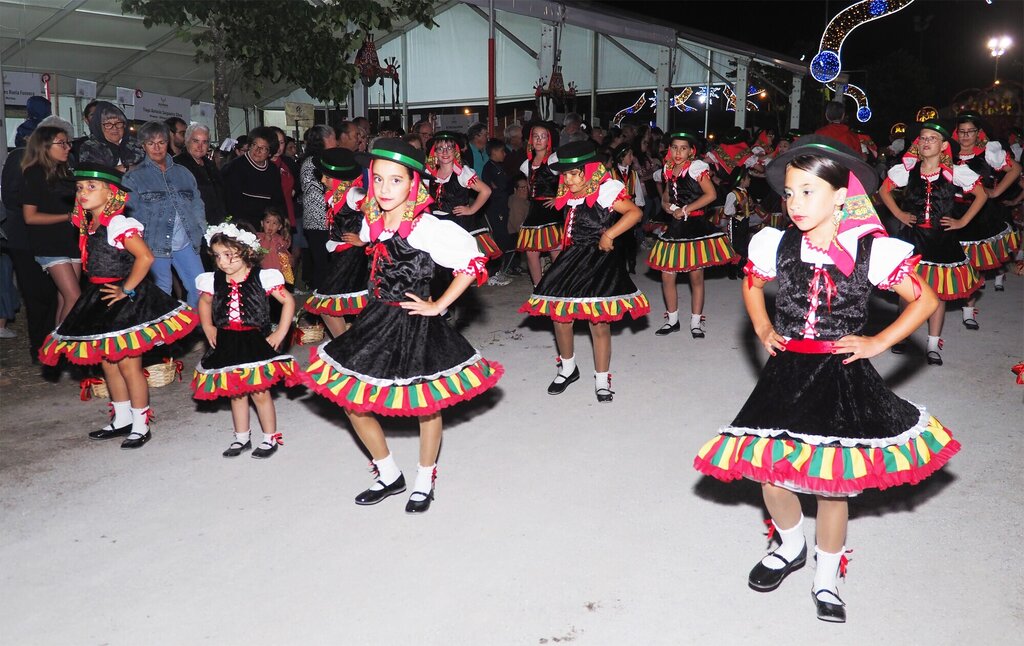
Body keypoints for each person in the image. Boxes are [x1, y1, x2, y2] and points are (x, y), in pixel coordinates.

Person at [693, 135, 960, 623]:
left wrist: (877, 343)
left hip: (839, 374)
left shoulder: (871, 251)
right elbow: (753, 283)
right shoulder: (777, 241)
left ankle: (827, 572)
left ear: (841, 195)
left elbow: (926, 300)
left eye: (808, 191)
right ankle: (790, 544)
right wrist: (762, 326)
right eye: (790, 193)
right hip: (787, 369)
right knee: (770, 469)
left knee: (832, 486)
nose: (795, 204)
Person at [300, 139, 503, 514]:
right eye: (377, 180)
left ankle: (425, 480)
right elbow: (363, 239)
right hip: (376, 318)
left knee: (426, 404)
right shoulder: (373, 218)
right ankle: (388, 472)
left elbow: (471, 264)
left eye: (395, 181)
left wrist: (439, 304)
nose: (384, 189)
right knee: (353, 400)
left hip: (414, 322)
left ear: (413, 183)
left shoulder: (427, 226)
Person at [38, 163, 199, 448]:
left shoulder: (119, 223)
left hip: (123, 299)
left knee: (128, 365)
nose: (83, 193)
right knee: (108, 364)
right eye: (79, 188)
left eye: (91, 187)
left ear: (111, 193)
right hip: (100, 296)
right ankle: (121, 418)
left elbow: (146, 258)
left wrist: (127, 289)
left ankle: (140, 423)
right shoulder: (91, 223)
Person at [519, 140, 648, 402]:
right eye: (564, 174)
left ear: (589, 170)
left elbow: (634, 213)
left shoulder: (607, 189)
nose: (567, 180)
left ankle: (602, 380)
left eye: (572, 174)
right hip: (572, 256)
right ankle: (568, 368)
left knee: (598, 322)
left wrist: (610, 234)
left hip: (599, 259)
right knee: (560, 315)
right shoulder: (571, 190)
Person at [878, 121, 984, 365]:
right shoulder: (908, 170)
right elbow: (884, 191)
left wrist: (962, 222)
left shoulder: (955, 172)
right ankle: (901, 335)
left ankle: (933, 344)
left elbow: (980, 195)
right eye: (923, 138)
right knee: (907, 293)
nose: (926, 142)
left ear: (944, 145)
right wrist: (900, 214)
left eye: (932, 138)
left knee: (937, 295)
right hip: (913, 240)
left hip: (942, 241)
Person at [192, 222, 298, 458]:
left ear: (246, 252)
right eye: (218, 256)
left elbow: (288, 301)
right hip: (226, 341)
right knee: (236, 392)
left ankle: (270, 438)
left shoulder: (263, 277)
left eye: (229, 255)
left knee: (259, 392)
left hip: (253, 342)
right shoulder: (214, 280)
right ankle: (241, 437)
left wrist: (281, 332)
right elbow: (205, 302)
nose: (223, 262)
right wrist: (208, 325)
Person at [648, 131, 738, 338]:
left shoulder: (697, 168)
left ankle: (696, 322)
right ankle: (672, 320)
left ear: (691, 151)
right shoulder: (668, 169)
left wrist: (686, 209)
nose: (678, 152)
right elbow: (665, 196)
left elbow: (711, 195)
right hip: (676, 226)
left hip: (696, 227)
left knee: (695, 277)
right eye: (674, 147)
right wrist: (667, 206)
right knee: (667, 275)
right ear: (669, 149)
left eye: (683, 148)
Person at [123, 121, 207, 308]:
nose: (157, 148)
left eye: (161, 142)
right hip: (154, 243)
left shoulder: (184, 173)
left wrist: (202, 230)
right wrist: (137, 245)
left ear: (168, 142)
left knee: (201, 288)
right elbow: (129, 213)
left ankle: (194, 331)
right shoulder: (133, 177)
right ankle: (163, 336)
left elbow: (196, 202)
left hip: (186, 240)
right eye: (151, 143)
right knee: (162, 290)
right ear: (143, 145)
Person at [951, 111, 1022, 324]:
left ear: (978, 133)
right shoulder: (947, 152)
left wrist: (997, 191)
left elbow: (1015, 169)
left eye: (969, 132)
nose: (965, 136)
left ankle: (968, 309)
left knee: (972, 262)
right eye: (961, 131)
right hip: (950, 211)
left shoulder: (988, 152)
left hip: (978, 214)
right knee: (951, 260)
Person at [302, 148, 368, 338]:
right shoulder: (336, 195)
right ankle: (348, 343)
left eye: (327, 177)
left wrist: (363, 239)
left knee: (327, 301)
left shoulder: (353, 193)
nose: (322, 180)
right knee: (339, 303)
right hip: (342, 253)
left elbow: (375, 213)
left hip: (352, 255)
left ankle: (345, 344)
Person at [21, 126, 81, 324]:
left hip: (70, 240)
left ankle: (58, 350)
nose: (67, 148)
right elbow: (30, 217)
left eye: (68, 143)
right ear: (45, 146)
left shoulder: (65, 172)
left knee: (65, 297)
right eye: (61, 143)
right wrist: (68, 216)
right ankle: (59, 349)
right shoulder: (34, 174)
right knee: (74, 296)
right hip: (49, 242)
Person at [425, 131, 499, 262]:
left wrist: (471, 210)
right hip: (436, 224)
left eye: (449, 148)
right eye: (440, 148)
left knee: (458, 262)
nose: (445, 152)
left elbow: (486, 191)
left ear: (456, 151)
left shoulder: (462, 173)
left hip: (458, 224)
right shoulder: (429, 173)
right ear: (434, 152)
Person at [516, 122, 563, 285]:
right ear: (530, 139)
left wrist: (560, 198)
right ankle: (539, 287)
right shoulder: (525, 164)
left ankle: (557, 286)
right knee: (531, 252)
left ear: (548, 140)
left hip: (551, 209)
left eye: (543, 137)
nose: (539, 139)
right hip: (535, 209)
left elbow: (568, 178)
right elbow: (530, 188)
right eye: (535, 136)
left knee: (555, 250)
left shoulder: (554, 159)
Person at [297, 124, 337, 291]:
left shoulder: (316, 160)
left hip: (322, 220)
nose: (336, 141)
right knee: (323, 265)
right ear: (325, 139)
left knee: (324, 264)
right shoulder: (315, 162)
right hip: (319, 221)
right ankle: (320, 307)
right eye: (334, 137)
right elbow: (325, 189)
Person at [222, 126, 286, 230]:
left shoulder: (273, 170)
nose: (257, 150)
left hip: (266, 227)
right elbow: (230, 203)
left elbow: (277, 201)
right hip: (241, 226)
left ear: (270, 152)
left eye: (263, 148)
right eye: (254, 145)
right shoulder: (235, 167)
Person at [174, 123, 227, 226]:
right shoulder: (177, 164)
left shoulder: (210, 164)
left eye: (205, 142)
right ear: (187, 141)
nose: (200, 146)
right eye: (196, 141)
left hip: (215, 224)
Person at [481, 138, 515, 283]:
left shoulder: (498, 167)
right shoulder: (490, 168)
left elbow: (504, 186)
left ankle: (499, 270)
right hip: (495, 208)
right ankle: (493, 274)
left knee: (504, 237)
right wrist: (503, 187)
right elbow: (497, 188)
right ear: (494, 152)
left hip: (502, 206)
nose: (504, 154)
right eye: (502, 151)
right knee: (499, 238)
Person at [608, 142, 645, 273]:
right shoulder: (611, 173)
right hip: (616, 211)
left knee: (630, 239)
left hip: (631, 210)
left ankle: (632, 262)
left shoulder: (633, 174)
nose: (632, 157)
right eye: (630, 155)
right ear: (622, 157)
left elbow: (638, 193)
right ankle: (620, 264)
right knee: (618, 239)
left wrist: (640, 209)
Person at [78, 101, 144, 171]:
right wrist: (125, 168)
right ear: (99, 127)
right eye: (108, 125)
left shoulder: (136, 144)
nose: (114, 128)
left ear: (124, 125)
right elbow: (95, 176)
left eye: (118, 123)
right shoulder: (90, 147)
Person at [256, 207, 293, 286]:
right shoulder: (258, 237)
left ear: (279, 227)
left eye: (275, 223)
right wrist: (266, 240)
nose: (271, 226)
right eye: (268, 222)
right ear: (262, 223)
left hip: (278, 274)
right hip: (264, 273)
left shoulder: (280, 239)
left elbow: (285, 254)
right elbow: (262, 252)